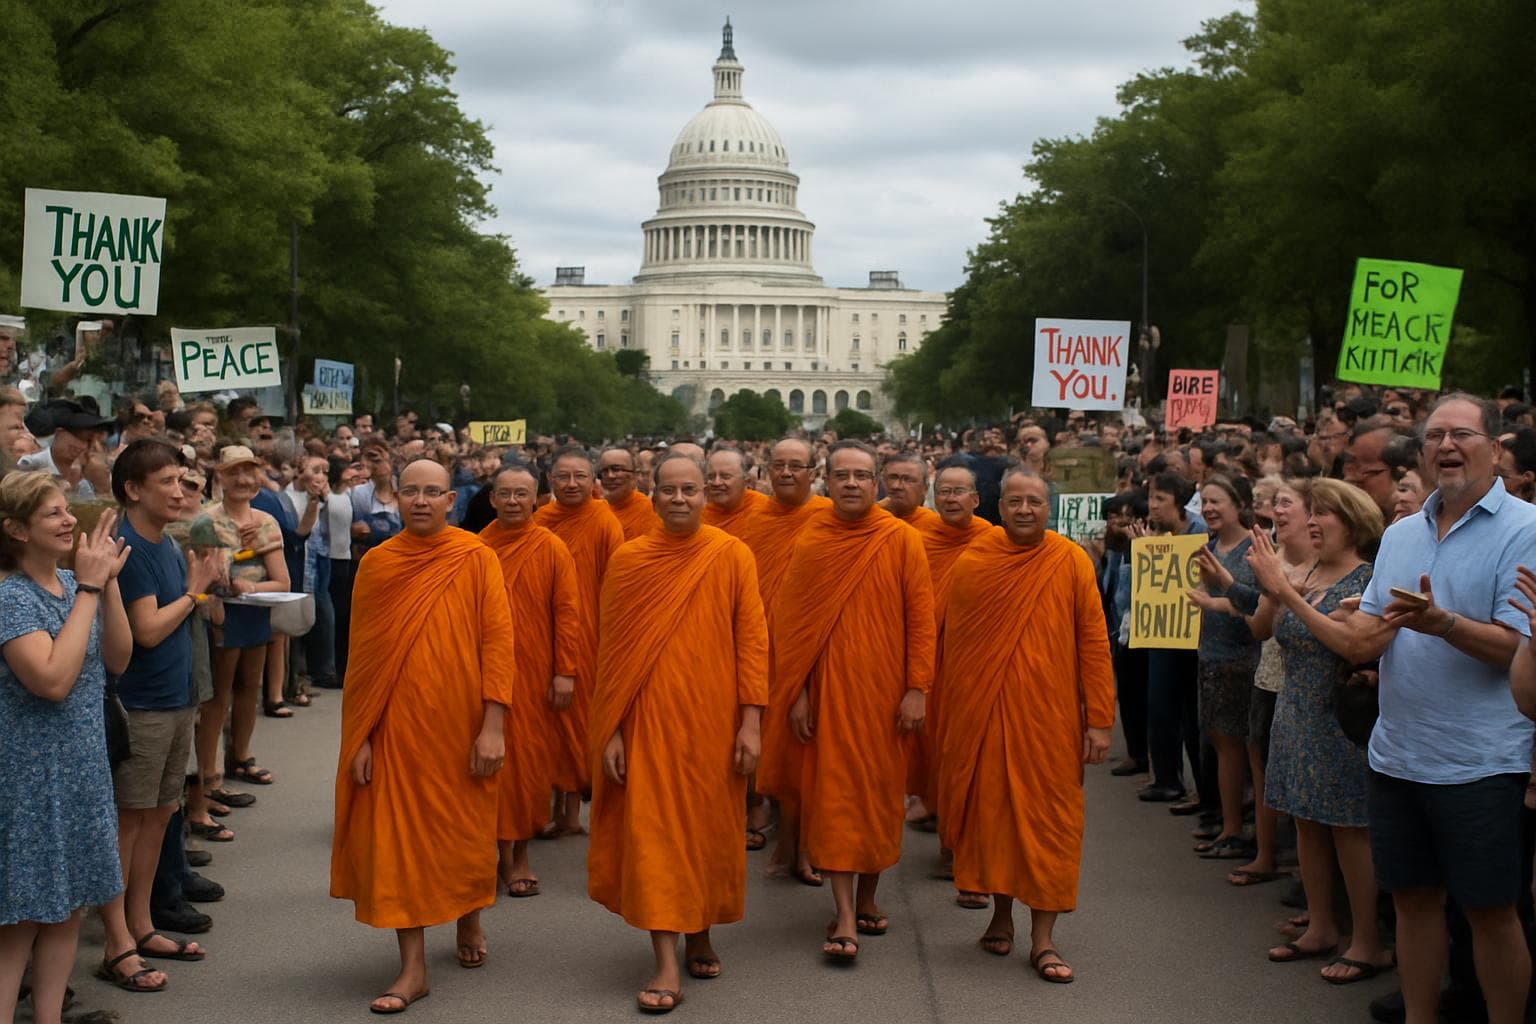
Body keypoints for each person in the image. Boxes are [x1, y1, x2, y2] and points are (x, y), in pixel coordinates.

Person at [1340, 394, 1536, 1024]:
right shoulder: (1400, 532)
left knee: (1490, 911)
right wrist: (1311, 604)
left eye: (1462, 434)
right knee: (1413, 902)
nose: (1446, 446)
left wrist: (1444, 623)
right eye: (1434, 436)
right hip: (1397, 756)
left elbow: (1517, 648)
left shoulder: (1525, 531)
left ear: (1496, 448)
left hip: (1481, 763)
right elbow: (1374, 630)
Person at [331, 459, 515, 1013]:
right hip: (396, 727)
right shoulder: (379, 564)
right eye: (410, 491)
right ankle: (412, 967)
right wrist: (358, 738)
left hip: (461, 724)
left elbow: (497, 643)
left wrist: (493, 724)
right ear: (396, 498)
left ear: (450, 502)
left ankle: (468, 918)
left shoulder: (476, 557)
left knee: (463, 831)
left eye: (433, 492)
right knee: (398, 840)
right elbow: (360, 658)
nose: (420, 501)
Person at [587, 453, 768, 1013]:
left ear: (704, 496)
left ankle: (701, 931)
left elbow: (752, 641)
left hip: (713, 721)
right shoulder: (630, 559)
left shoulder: (731, 554)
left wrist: (751, 721)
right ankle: (665, 960)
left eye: (691, 489)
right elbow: (612, 654)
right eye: (669, 490)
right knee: (656, 834)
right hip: (648, 722)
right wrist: (611, 732)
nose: (681, 499)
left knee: (709, 832)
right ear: (653, 493)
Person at [937, 467, 1114, 983]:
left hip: (1050, 719)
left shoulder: (1069, 560)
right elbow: (958, 650)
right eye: (1014, 502)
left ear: (1048, 507)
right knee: (994, 820)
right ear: (998, 505)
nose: (1024, 511)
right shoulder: (975, 562)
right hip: (986, 715)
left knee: (1050, 824)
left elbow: (1094, 643)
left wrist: (1099, 720)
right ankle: (999, 916)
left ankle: (1044, 940)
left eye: (1034, 502)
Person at [764, 440, 935, 960]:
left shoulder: (901, 539)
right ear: (828, 481)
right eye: (843, 475)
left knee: (880, 799)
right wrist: (796, 694)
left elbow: (921, 620)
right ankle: (842, 913)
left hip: (886, 697)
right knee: (835, 799)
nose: (853, 484)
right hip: (829, 695)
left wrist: (916, 689)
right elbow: (792, 629)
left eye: (863, 475)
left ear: (877, 480)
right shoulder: (812, 540)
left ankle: (869, 897)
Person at [1247, 479, 1393, 983]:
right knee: (1307, 823)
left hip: (1339, 721)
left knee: (1350, 831)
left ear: (1353, 521)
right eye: (1312, 512)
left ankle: (1368, 943)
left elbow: (1349, 645)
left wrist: (1288, 591)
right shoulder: (1307, 568)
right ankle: (1322, 927)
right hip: (1294, 714)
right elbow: (1265, 630)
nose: (1312, 521)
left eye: (1324, 513)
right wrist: (1274, 589)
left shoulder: (1367, 579)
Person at [0, 474, 133, 1014]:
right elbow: (51, 681)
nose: (68, 520)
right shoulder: (10, 596)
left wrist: (108, 580)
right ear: (15, 529)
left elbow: (119, 659)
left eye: (66, 509)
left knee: (68, 911)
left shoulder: (70, 582)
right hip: (29, 776)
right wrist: (91, 589)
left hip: (81, 768)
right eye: (52, 513)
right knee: (20, 924)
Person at [102, 440, 225, 983]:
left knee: (158, 818)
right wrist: (196, 594)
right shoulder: (126, 546)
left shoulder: (168, 544)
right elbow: (147, 630)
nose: (180, 491)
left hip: (174, 701)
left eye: (182, 480)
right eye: (167, 482)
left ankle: (142, 922)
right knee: (129, 824)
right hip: (143, 705)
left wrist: (203, 591)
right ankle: (116, 941)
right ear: (133, 490)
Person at [479, 463, 580, 898]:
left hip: (535, 671)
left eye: (523, 494)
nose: (514, 502)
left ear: (538, 499)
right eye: (506, 494)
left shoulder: (551, 547)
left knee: (526, 768)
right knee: (487, 768)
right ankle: (488, 854)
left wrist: (565, 670)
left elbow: (568, 612)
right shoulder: (476, 547)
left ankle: (518, 855)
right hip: (483, 670)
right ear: (492, 499)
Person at [738, 437, 831, 883]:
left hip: (815, 652)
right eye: (780, 465)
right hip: (763, 649)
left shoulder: (829, 521)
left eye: (798, 466)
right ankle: (784, 836)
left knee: (809, 752)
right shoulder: (754, 521)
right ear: (766, 470)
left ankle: (806, 844)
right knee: (773, 749)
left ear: (814, 472)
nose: (788, 473)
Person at [534, 445, 625, 836]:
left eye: (580, 477)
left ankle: (570, 812)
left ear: (594, 483)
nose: (571, 484)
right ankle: (539, 803)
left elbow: (617, 583)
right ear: (551, 482)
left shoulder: (604, 522)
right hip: (540, 630)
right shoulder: (540, 520)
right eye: (563, 477)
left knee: (576, 725)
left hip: (590, 635)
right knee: (541, 723)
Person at [196, 446, 288, 833]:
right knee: (218, 694)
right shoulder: (205, 519)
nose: (243, 480)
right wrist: (240, 559)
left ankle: (241, 755)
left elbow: (282, 581)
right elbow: (209, 573)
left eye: (250, 472)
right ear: (220, 475)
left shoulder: (266, 519)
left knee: (251, 685)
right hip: (220, 614)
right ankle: (208, 774)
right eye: (235, 472)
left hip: (255, 612)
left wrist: (250, 581)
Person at [903, 462, 989, 842]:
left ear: (976, 499)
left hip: (974, 661)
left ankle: (957, 839)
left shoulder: (993, 542)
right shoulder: (918, 539)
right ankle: (939, 812)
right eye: (944, 492)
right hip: (929, 659)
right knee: (933, 744)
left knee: (967, 748)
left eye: (959, 492)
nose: (951, 499)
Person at [1185, 475, 1261, 859]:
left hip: (1243, 662)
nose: (1210, 509)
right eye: (1205, 502)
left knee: (1244, 753)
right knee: (1220, 745)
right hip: (1210, 658)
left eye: (1217, 501)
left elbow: (1263, 604)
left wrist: (1223, 591)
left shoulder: (1255, 548)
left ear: (1239, 504)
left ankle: (1248, 834)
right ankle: (1229, 825)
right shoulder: (1207, 546)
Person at [1138, 472, 1206, 803]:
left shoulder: (1201, 534)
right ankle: (1166, 778)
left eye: (1160, 499)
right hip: (1162, 634)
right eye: (1151, 498)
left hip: (1194, 638)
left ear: (1179, 502)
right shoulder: (1154, 535)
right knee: (1160, 707)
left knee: (1193, 716)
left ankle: (1203, 791)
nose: (1152, 505)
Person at [702, 447, 768, 537]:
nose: (716, 483)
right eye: (711, 477)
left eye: (725, 476)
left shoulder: (766, 511)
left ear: (745, 482)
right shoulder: (698, 518)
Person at [599, 446, 659, 540]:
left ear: (634, 475)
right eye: (604, 471)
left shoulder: (647, 509)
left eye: (617, 469)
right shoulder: (596, 511)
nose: (610, 476)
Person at [879, 452, 940, 529]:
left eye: (907, 479)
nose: (896, 486)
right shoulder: (869, 518)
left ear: (925, 488)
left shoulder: (936, 526)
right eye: (892, 478)